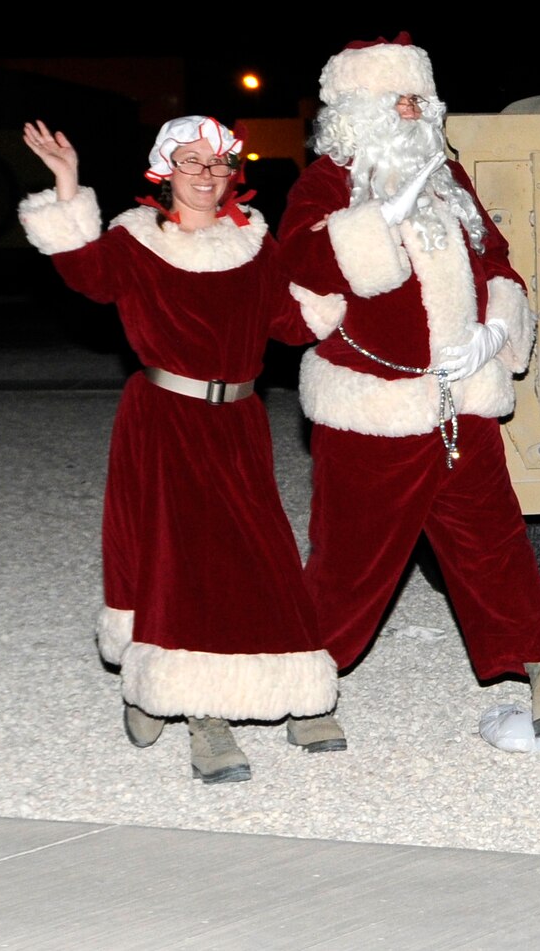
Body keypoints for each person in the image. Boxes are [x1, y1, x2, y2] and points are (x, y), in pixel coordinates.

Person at [279, 33, 540, 746]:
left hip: (461, 403)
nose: (414, 110)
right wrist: (378, 222)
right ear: (357, 109)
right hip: (374, 411)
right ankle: (304, 690)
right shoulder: (325, 183)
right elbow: (296, 277)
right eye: (397, 98)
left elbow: (496, 261)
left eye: (420, 97)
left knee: (497, 546)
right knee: (350, 563)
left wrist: (495, 332)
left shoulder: (448, 180)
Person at [19, 116, 342, 783]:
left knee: (264, 551)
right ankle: (200, 711)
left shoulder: (252, 242)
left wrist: (341, 271)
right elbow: (84, 273)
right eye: (190, 161)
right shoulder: (135, 240)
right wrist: (67, 181)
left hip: (241, 421)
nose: (205, 174)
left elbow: (289, 322)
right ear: (164, 170)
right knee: (183, 560)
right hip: (166, 419)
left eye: (218, 164)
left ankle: (294, 686)